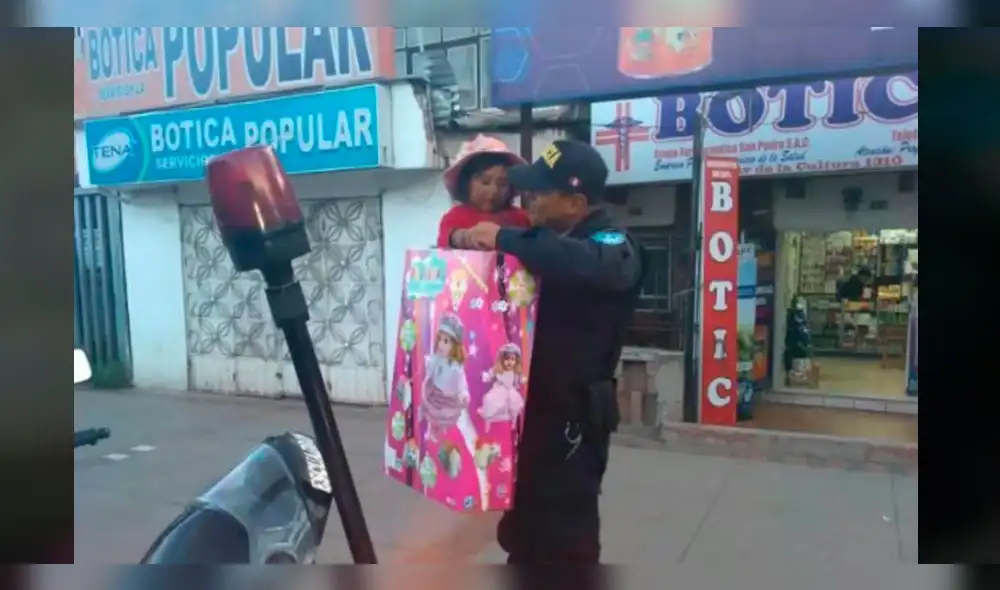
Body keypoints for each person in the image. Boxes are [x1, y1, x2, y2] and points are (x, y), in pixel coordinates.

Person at [463, 139, 646, 564]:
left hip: (573, 423)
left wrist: (507, 237)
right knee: (523, 532)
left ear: (574, 202)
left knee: (566, 539)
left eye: (538, 192)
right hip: (529, 415)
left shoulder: (611, 242)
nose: (525, 199)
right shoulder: (546, 242)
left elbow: (598, 265)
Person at [436, 134, 532, 249]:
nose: (493, 191)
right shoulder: (455, 217)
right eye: (485, 182)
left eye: (502, 184)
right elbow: (445, 241)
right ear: (466, 182)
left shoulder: (521, 218)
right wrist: (461, 237)